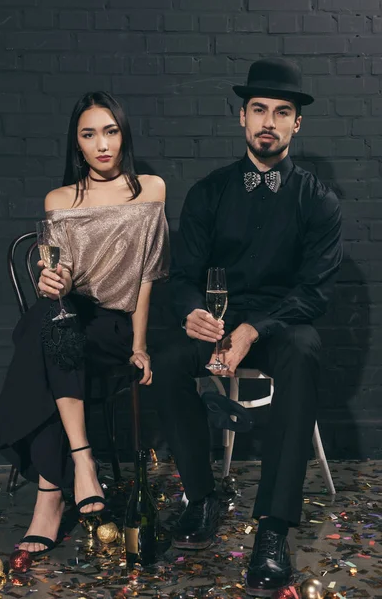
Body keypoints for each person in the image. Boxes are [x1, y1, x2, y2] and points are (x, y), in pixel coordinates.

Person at [148, 58, 342, 596]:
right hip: (218, 317)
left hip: (280, 324)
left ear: (296, 124)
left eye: (282, 112)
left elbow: (315, 292)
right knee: (165, 361)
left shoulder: (318, 201)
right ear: (241, 117)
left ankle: (272, 531)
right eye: (259, 109)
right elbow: (183, 277)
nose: (269, 121)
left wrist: (254, 330)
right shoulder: (210, 193)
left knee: (304, 355)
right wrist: (191, 311)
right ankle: (203, 495)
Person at [0, 91, 169, 556]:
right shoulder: (59, 198)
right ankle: (82, 460)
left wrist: (140, 345)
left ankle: (48, 500)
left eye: (110, 131)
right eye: (89, 134)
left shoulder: (149, 189)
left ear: (123, 134)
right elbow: (64, 271)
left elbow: (148, 275)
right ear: (77, 144)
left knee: (45, 333)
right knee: (55, 319)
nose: (102, 144)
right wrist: (53, 278)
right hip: (70, 316)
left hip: (111, 326)